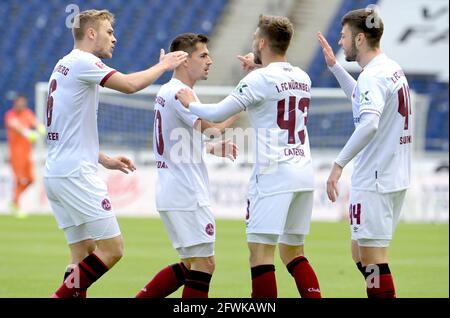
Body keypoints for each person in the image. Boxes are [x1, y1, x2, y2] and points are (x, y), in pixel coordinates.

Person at [45, 9, 188, 298]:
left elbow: (66, 127)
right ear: (91, 33)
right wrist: (163, 66)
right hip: (76, 174)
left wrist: (103, 157)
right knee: (113, 249)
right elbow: (131, 85)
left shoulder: (64, 64)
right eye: (109, 32)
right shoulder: (85, 62)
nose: (115, 38)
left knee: (82, 254)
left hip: (57, 171)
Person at [177, 15, 321, 298]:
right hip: (303, 171)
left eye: (256, 36)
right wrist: (256, 67)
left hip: (273, 175)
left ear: (263, 42)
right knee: (293, 251)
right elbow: (276, 87)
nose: (253, 40)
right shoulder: (302, 76)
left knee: (260, 254)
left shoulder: (259, 79)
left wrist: (191, 103)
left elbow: (218, 113)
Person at [317, 8, 412, 298]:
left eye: (344, 37)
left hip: (375, 178)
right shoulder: (389, 67)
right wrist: (335, 67)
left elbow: (369, 124)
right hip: (393, 175)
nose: (340, 42)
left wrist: (338, 165)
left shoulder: (373, 76)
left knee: (373, 261)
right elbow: (365, 100)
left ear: (360, 38)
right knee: (360, 252)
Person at [135, 33, 239, 298]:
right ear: (182, 60)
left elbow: (178, 139)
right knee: (204, 264)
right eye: (203, 55)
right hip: (186, 193)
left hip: (174, 189)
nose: (210, 61)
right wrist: (244, 102)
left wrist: (210, 147)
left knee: (190, 264)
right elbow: (214, 126)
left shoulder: (168, 92)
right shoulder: (181, 94)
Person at [4, 95, 45, 218]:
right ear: (15, 103)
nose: (21, 105)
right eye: (19, 103)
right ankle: (16, 205)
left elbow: (34, 122)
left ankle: (13, 201)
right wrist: (27, 133)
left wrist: (39, 127)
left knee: (31, 179)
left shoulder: (27, 113)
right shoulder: (10, 115)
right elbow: (16, 126)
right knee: (19, 179)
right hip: (16, 154)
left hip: (27, 153)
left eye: (23, 103)